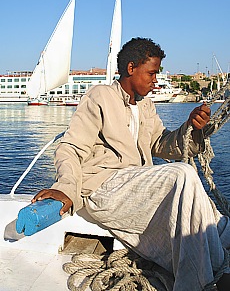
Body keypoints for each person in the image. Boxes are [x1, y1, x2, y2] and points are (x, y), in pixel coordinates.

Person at [32, 37, 230, 290]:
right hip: (102, 188)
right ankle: (197, 282)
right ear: (131, 68)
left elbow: (161, 143)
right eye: (151, 73)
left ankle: (218, 259)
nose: (155, 80)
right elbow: (71, 147)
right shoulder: (100, 97)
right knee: (182, 174)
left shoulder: (145, 105)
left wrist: (191, 127)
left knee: (205, 208)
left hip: (133, 184)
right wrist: (66, 188)